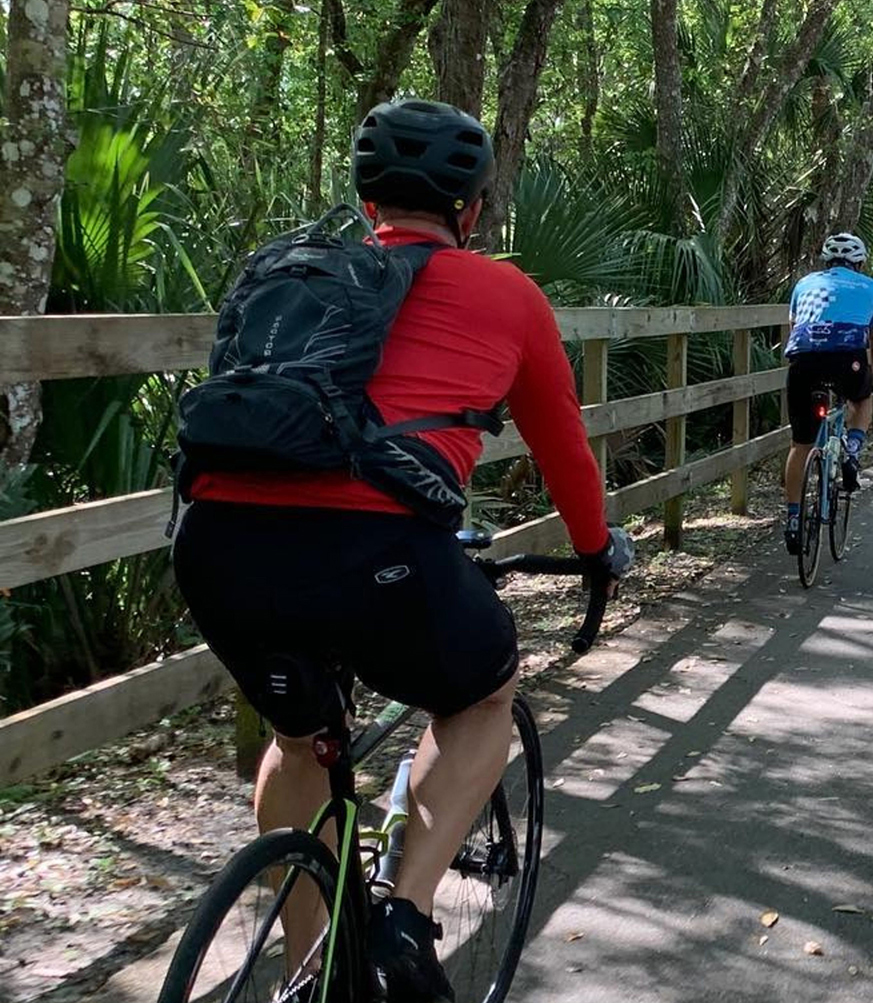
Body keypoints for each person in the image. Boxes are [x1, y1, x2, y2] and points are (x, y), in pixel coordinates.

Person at [171, 98, 632, 1002]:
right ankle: (402, 922)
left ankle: (309, 974)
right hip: (372, 547)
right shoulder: (508, 294)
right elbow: (564, 450)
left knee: (298, 740)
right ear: (473, 209)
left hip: (216, 542)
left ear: (364, 194)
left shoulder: (293, 275)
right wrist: (592, 553)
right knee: (483, 689)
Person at [782, 232, 873, 555]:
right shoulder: (870, 287)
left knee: (800, 444)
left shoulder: (804, 284)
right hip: (849, 361)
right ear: (860, 263)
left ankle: (791, 519)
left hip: (804, 362)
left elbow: (795, 328)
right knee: (860, 399)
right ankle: (853, 450)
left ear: (825, 262)